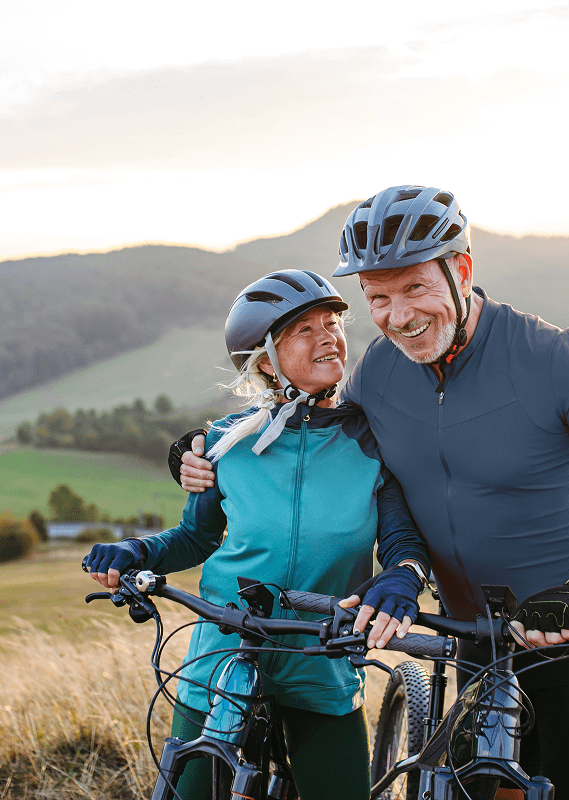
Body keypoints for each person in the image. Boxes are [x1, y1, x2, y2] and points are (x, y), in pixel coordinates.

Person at [175, 187, 569, 800]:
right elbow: (305, 427)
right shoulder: (378, 371)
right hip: (471, 635)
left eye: (414, 289)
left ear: (461, 271)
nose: (398, 316)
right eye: (377, 297)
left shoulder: (550, 356)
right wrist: (199, 450)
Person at [83, 269, 430, 800]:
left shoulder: (371, 440)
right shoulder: (226, 443)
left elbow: (402, 538)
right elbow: (193, 539)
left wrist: (403, 576)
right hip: (225, 650)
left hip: (323, 659)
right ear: (266, 360)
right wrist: (134, 551)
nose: (328, 337)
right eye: (303, 330)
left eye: (331, 323)